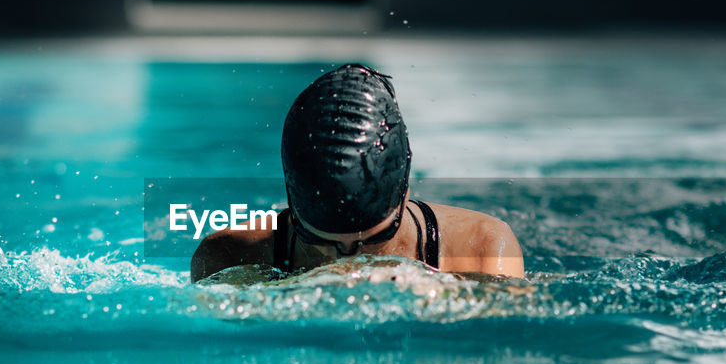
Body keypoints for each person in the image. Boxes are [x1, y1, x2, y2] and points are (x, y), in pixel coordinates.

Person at [190, 64, 524, 281]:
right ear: (291, 202)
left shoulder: (482, 246)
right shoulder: (226, 257)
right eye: (317, 239)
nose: (345, 258)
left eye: (374, 238)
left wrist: (444, 297)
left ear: (405, 191)